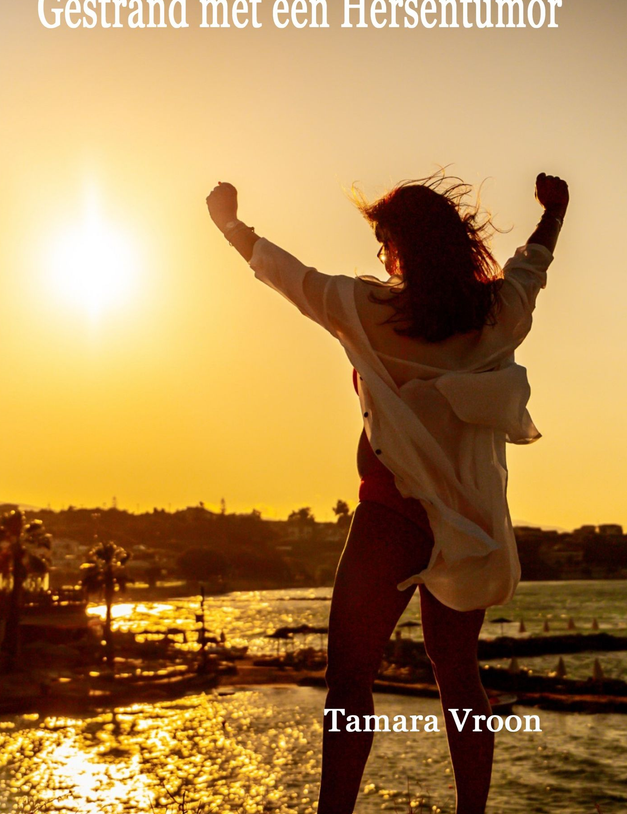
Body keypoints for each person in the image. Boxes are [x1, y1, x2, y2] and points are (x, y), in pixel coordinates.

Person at [205, 171, 569, 814]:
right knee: (459, 678)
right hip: (468, 522)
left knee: (349, 680)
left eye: (386, 244)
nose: (383, 257)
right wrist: (554, 212)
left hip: (390, 513)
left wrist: (231, 225)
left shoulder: (365, 309)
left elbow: (288, 275)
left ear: (403, 246)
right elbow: (531, 267)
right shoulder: (496, 315)